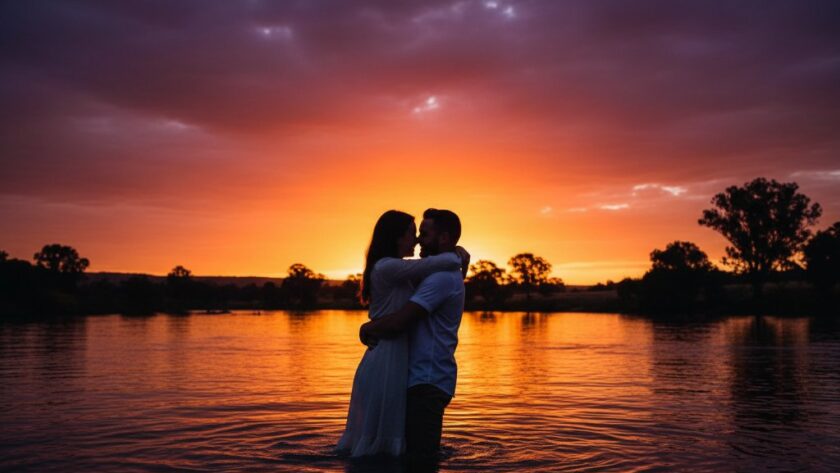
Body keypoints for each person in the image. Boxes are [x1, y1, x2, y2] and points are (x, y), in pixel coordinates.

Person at [336, 210, 469, 457]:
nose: (417, 240)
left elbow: (400, 322)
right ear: (396, 237)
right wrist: (458, 255)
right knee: (398, 451)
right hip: (393, 363)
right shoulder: (392, 268)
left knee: (412, 456)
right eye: (413, 233)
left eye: (423, 233)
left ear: (443, 238)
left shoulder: (436, 277)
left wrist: (368, 327)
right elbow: (442, 264)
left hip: (422, 377)